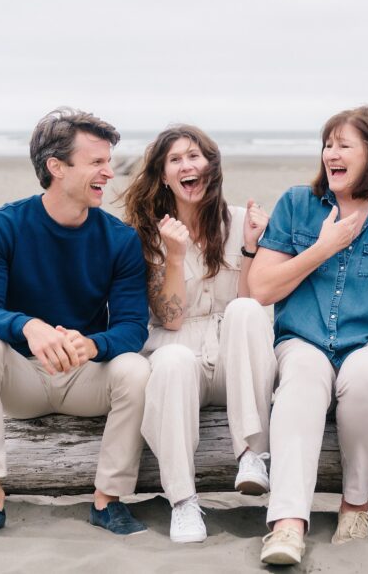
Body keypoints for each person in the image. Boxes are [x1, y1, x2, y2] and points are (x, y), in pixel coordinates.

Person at [248, 105, 368, 566]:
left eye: (343, 145)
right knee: (299, 387)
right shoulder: (296, 203)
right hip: (302, 340)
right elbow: (261, 288)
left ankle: (355, 506)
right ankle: (288, 523)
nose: (331, 154)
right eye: (327, 145)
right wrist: (322, 247)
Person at [0, 107, 151, 538]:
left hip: (84, 378)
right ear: (56, 167)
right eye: (97, 162)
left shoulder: (120, 240)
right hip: (20, 382)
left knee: (136, 367)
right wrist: (28, 326)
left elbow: (134, 326)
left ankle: (108, 500)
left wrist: (93, 346)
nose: (109, 173)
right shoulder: (2, 225)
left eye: (109, 161)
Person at [122, 125, 276, 544]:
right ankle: (184, 502)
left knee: (247, 309)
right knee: (170, 361)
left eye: (195, 156)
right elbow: (169, 319)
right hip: (179, 355)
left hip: (233, 360)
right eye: (175, 160)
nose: (187, 165)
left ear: (211, 165)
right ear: (164, 176)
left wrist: (248, 249)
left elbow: (251, 301)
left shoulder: (245, 221)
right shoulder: (147, 235)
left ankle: (251, 455)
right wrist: (173, 256)